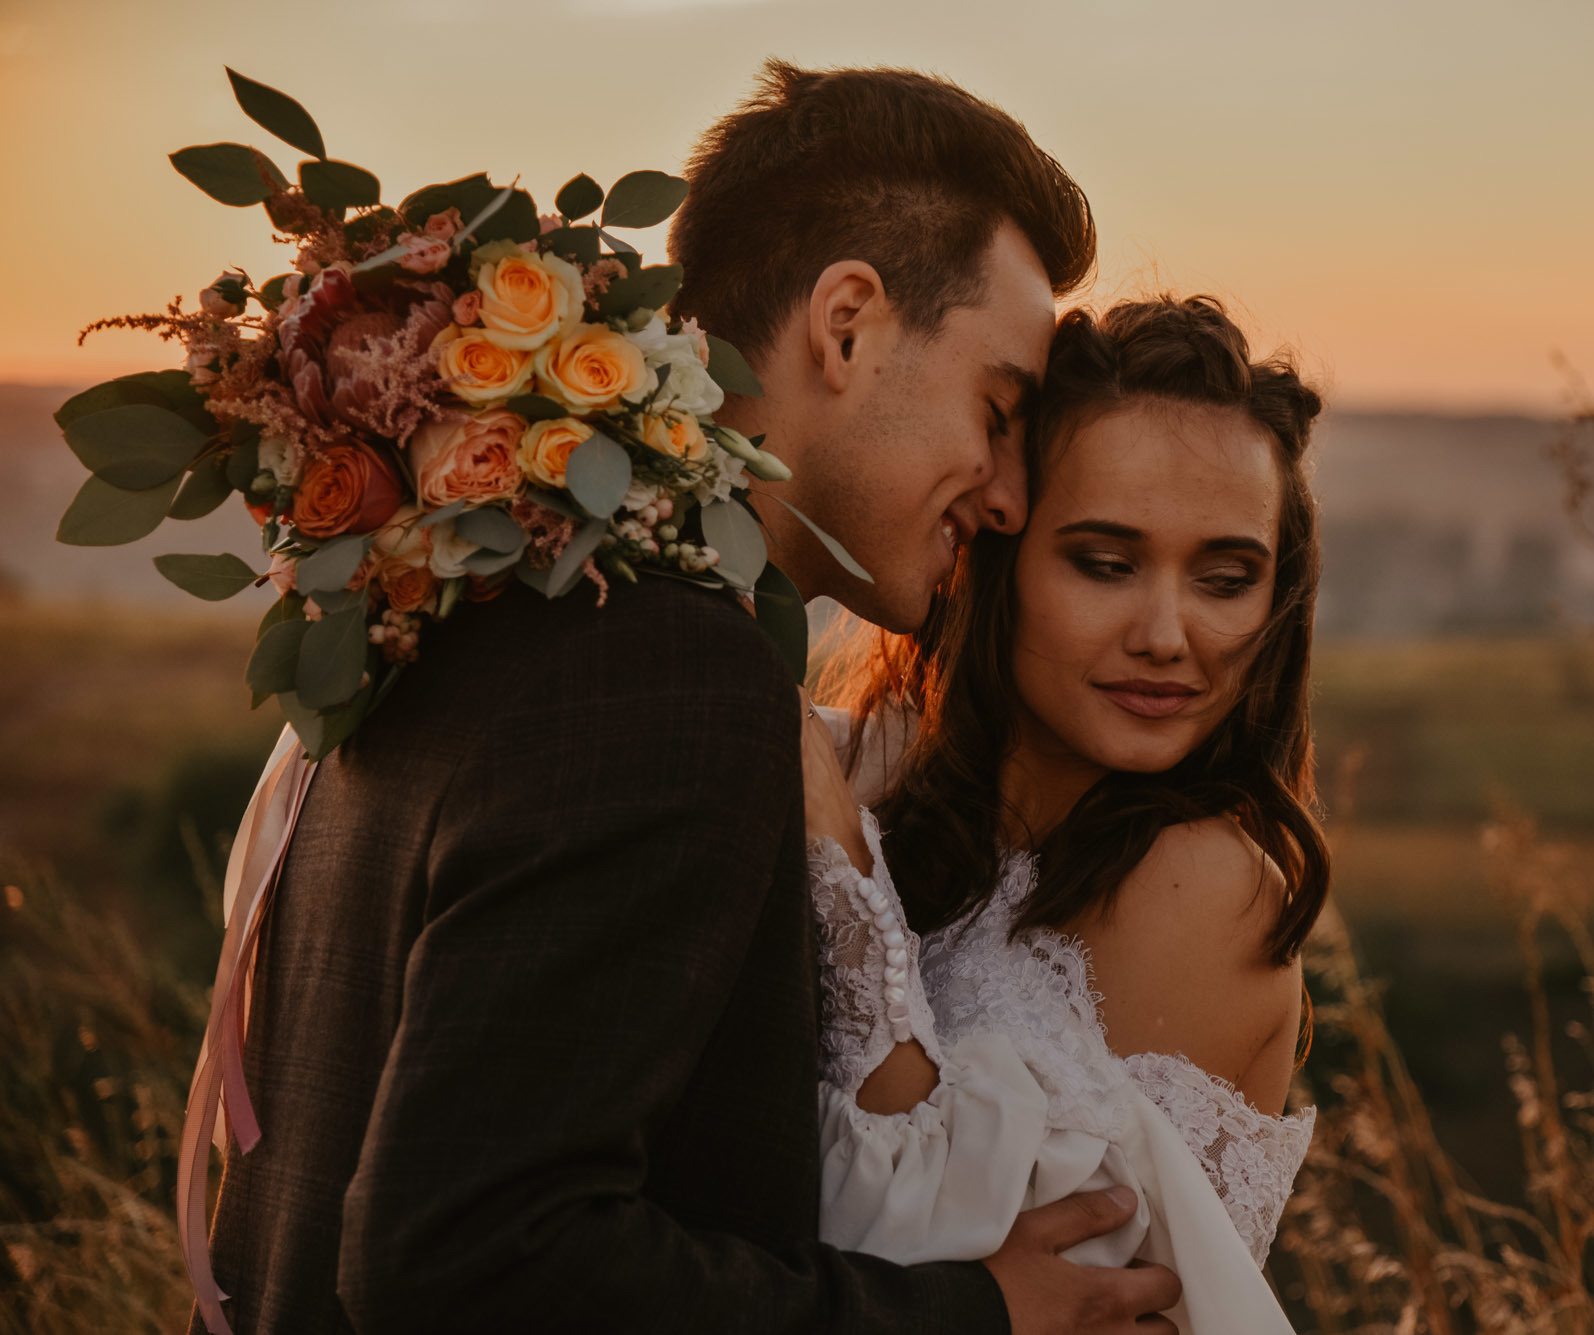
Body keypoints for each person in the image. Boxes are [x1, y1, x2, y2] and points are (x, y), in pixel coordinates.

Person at [196, 62, 1183, 1334]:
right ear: (846, 324)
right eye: (996, 412)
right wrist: (968, 1316)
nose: (1003, 495)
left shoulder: (456, 606)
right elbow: (472, 1265)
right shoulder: (669, 670)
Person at [800, 295, 1330, 1332]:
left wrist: (830, 855)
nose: (1168, 635)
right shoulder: (874, 770)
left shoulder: (1202, 881)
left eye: (1226, 579)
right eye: (1104, 564)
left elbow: (979, 1256)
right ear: (992, 550)